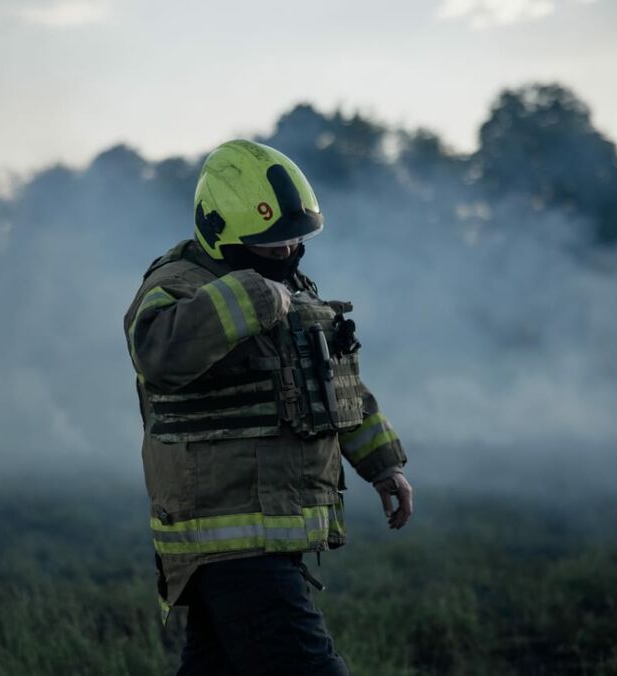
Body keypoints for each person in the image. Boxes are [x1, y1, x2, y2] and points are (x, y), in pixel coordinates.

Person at [123, 139, 413, 675]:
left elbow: (336, 386)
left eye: (292, 240)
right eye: (269, 244)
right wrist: (249, 298)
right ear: (219, 232)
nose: (286, 253)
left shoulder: (292, 284)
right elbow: (158, 354)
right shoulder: (174, 287)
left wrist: (383, 464)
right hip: (230, 537)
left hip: (269, 532)